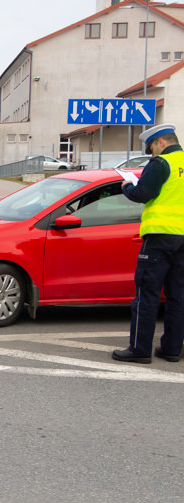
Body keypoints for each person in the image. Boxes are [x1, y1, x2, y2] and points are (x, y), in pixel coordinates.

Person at [113, 123, 184, 363]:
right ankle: (172, 349)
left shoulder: (161, 163)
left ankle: (139, 349)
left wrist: (127, 187)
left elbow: (143, 193)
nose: (152, 153)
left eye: (152, 147)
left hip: (159, 237)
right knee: (178, 296)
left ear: (161, 142)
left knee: (147, 294)